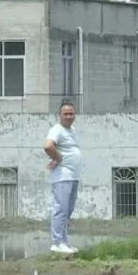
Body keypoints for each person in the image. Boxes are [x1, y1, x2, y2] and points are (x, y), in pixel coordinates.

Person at [44, 101, 82, 255]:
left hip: (73, 175)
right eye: (65, 114)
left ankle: (64, 242)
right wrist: (58, 158)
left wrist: (58, 157)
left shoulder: (72, 130)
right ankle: (57, 242)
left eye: (71, 113)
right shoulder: (57, 130)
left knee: (67, 211)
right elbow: (48, 146)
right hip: (62, 176)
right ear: (59, 115)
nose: (69, 116)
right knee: (61, 209)